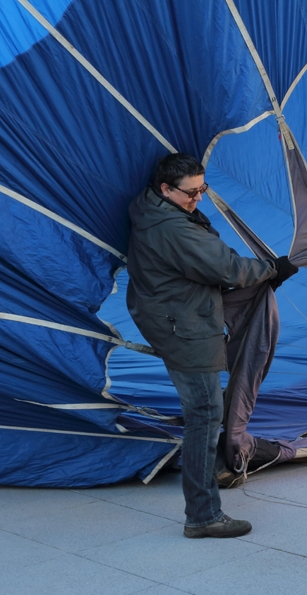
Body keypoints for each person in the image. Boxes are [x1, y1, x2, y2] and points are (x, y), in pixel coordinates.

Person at [126, 153, 298, 539]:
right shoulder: (173, 229)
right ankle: (202, 516)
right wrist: (273, 269)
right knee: (204, 415)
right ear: (167, 188)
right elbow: (227, 268)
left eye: (203, 189)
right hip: (184, 327)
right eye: (191, 193)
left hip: (170, 314)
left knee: (206, 410)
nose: (198, 199)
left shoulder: (150, 205)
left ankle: (218, 470)